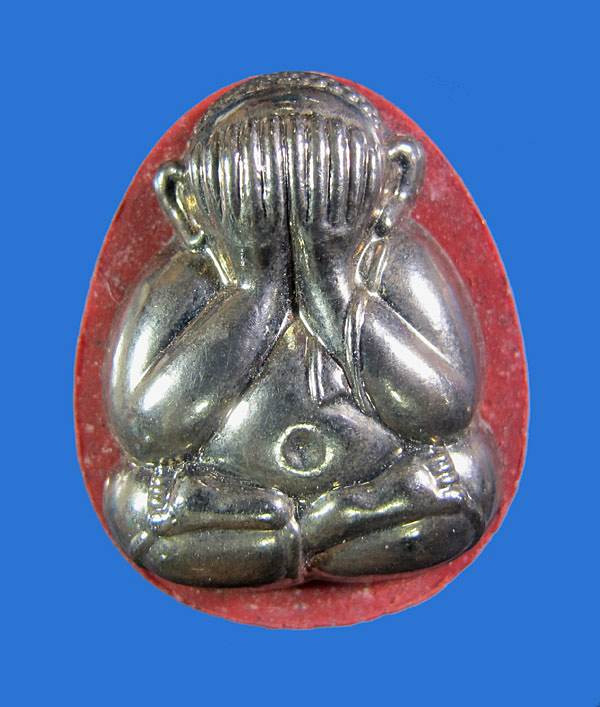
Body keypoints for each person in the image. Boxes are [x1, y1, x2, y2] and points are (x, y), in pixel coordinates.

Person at [104, 73, 498, 587]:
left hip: (386, 488)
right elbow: (145, 431)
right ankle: (308, 535)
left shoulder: (395, 262)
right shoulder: (187, 276)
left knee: (466, 477)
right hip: (225, 500)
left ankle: (318, 531)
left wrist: (335, 290)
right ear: (184, 202)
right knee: (138, 503)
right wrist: (255, 291)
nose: (295, 210)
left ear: (395, 183)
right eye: (253, 189)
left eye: (330, 180)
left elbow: (445, 413)